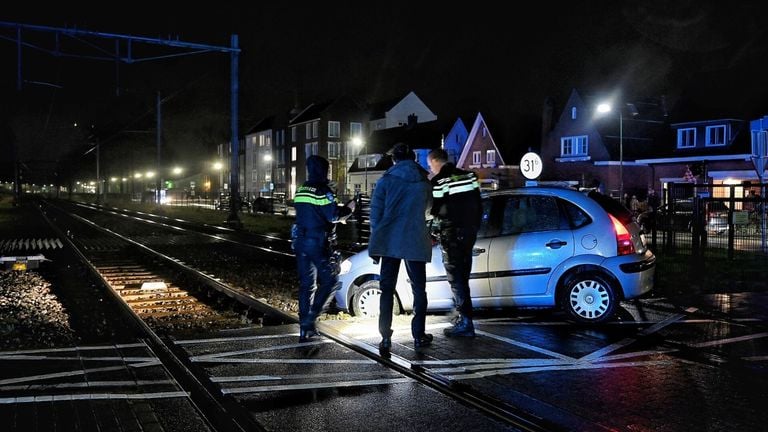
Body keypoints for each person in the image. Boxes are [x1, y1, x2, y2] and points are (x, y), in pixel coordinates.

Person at [368, 143, 433, 353]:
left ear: (394, 160)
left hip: (389, 241)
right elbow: (429, 210)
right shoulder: (423, 181)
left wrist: (377, 242)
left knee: (387, 289)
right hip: (415, 238)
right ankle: (418, 335)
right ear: (413, 159)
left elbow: (375, 216)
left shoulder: (385, 181)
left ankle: (385, 337)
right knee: (419, 289)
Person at [292, 155, 354, 343]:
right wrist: (350, 208)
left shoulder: (301, 189)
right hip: (317, 242)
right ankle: (311, 318)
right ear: (323, 170)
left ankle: (305, 328)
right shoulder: (323, 191)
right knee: (331, 281)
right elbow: (333, 215)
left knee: (307, 285)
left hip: (300, 241)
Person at [426, 148, 483, 337]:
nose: (430, 169)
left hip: (452, 235)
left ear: (434, 161)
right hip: (469, 233)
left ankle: (465, 323)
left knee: (456, 279)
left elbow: (435, 209)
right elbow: (479, 203)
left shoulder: (440, 181)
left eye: (429, 165)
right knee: (464, 276)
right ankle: (463, 317)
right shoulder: (469, 176)